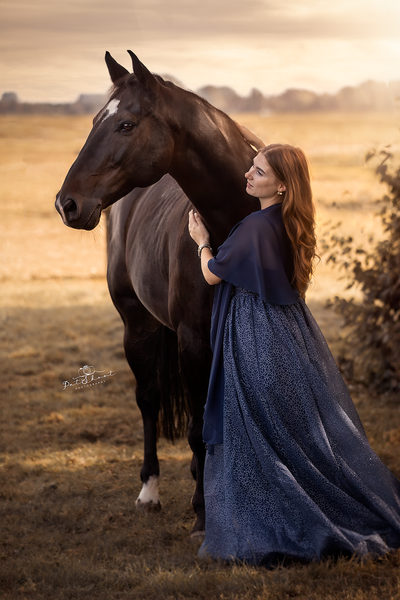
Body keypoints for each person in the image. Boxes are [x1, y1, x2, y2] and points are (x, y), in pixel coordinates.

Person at [187, 124, 400, 566]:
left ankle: (277, 514)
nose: (248, 174)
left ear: (281, 185)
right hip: (289, 330)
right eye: (252, 165)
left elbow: (212, 273)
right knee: (292, 425)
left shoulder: (253, 227)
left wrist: (201, 242)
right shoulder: (288, 221)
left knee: (256, 424)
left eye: (259, 170)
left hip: (254, 331)